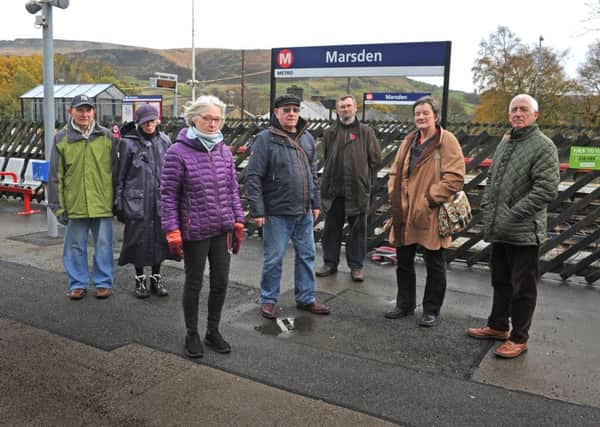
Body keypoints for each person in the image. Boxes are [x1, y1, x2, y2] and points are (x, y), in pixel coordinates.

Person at [467, 94, 559, 359]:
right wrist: (487, 206)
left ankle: (519, 338)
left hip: (524, 231)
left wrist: (513, 213)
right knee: (501, 281)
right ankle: (497, 326)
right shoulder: (506, 142)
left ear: (535, 115)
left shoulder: (544, 146)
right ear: (509, 115)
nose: (518, 113)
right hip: (502, 228)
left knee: (523, 288)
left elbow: (546, 189)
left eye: (524, 109)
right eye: (514, 110)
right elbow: (493, 178)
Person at [161, 95, 244, 358]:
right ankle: (192, 334)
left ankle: (212, 331)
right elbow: (168, 195)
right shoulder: (177, 152)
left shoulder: (224, 150)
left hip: (222, 229)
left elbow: (232, 189)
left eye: (217, 119)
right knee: (194, 283)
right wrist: (172, 230)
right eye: (207, 118)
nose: (212, 123)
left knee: (220, 282)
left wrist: (238, 219)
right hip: (195, 230)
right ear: (193, 118)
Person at [246, 94, 330, 319]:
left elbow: (313, 173)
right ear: (276, 113)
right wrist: (258, 210)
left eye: (295, 109)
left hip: (303, 211)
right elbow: (253, 176)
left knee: (307, 256)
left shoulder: (308, 139)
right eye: (286, 110)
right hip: (276, 212)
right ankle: (269, 299)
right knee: (274, 259)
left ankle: (306, 298)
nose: (292, 113)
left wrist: (315, 201)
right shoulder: (264, 139)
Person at [385, 96, 465, 327]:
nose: (421, 117)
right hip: (404, 211)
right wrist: (394, 193)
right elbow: (395, 170)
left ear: (435, 116)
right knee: (403, 261)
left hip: (431, 212)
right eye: (417, 113)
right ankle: (405, 304)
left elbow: (455, 177)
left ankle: (431, 310)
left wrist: (428, 199)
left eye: (425, 113)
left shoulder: (446, 140)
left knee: (435, 263)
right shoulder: (409, 140)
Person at [48, 94, 116, 300]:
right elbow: (55, 176)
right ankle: (77, 284)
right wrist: (57, 206)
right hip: (74, 203)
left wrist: (117, 200)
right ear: (71, 112)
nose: (84, 114)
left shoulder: (106, 136)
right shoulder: (61, 138)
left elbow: (115, 170)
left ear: (93, 112)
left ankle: (103, 283)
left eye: (88, 110)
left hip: (102, 202)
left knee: (104, 245)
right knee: (75, 245)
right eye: (80, 110)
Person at [316, 94, 382, 282]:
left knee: (358, 231)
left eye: (348, 106)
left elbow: (376, 160)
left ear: (355, 108)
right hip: (334, 190)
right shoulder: (330, 132)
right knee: (331, 229)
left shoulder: (366, 132)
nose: (345, 109)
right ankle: (330, 262)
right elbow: (328, 157)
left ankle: (356, 267)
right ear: (337, 110)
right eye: (342, 107)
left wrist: (363, 177)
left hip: (357, 190)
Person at [114, 104, 173, 299]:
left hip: (160, 200)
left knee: (160, 241)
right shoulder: (127, 143)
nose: (149, 125)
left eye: (152, 120)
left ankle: (156, 278)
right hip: (136, 201)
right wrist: (118, 201)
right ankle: (140, 280)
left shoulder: (165, 141)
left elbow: (172, 174)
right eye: (145, 121)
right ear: (138, 122)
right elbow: (119, 175)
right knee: (137, 241)